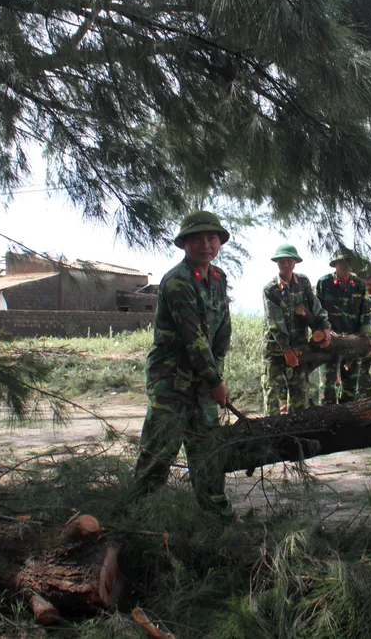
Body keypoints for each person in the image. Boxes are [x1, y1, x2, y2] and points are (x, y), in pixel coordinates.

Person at [134, 210, 235, 521]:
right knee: (159, 453)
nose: (206, 244)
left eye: (212, 237)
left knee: (207, 451)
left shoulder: (218, 279)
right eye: (197, 238)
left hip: (202, 382)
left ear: (219, 242)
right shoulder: (177, 281)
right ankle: (136, 518)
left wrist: (213, 376)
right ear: (184, 244)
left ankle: (217, 518)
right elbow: (193, 338)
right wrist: (215, 380)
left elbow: (221, 331)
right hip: (171, 383)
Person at [262, 244, 332, 414]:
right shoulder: (270, 288)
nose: (285, 263)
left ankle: (297, 435)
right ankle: (269, 433)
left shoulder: (303, 282)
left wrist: (325, 326)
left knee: (299, 395)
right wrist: (286, 350)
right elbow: (274, 322)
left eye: (289, 260)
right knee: (272, 394)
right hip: (275, 349)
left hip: (299, 347)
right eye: (281, 260)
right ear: (277, 262)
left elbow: (315, 305)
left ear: (295, 262)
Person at [316, 249, 371, 404]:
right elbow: (317, 311)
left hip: (353, 342)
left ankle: (347, 421)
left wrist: (366, 340)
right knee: (327, 387)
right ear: (335, 264)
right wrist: (322, 333)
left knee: (350, 387)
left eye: (348, 262)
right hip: (330, 341)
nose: (345, 265)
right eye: (341, 262)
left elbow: (365, 313)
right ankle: (326, 420)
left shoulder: (359, 285)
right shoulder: (324, 283)